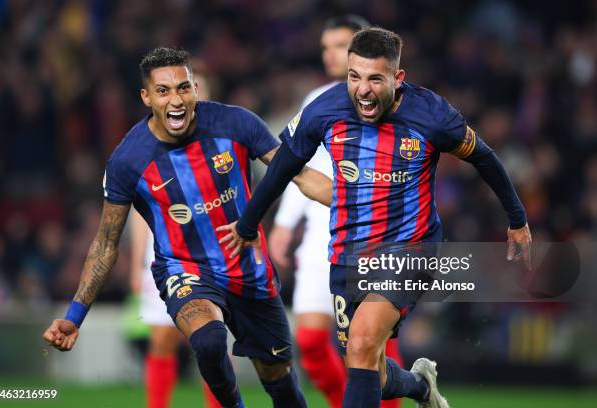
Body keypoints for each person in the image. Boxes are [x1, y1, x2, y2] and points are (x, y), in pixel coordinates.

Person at [218, 28, 532, 408]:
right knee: (367, 365)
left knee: (364, 341)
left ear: (398, 79)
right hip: (348, 254)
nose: (362, 90)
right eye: (355, 77)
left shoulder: (432, 115)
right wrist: (249, 224)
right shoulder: (324, 109)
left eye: (374, 79)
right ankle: (420, 386)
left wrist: (516, 219)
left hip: (411, 248)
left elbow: (484, 157)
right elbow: (284, 166)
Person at [43, 47, 333, 408]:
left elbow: (300, 175)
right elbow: (105, 243)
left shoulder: (237, 124)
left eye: (183, 88)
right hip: (185, 269)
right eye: (163, 91)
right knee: (209, 342)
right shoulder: (128, 160)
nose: (176, 99)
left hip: (248, 270)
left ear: (196, 88)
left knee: (280, 382)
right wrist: (74, 316)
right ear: (146, 97)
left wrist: (360, 208)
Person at [267, 15, 402, 408]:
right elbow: (301, 165)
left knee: (372, 342)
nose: (332, 55)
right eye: (326, 47)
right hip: (319, 235)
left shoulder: (391, 105)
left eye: (340, 47)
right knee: (309, 340)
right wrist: (284, 224)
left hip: (370, 234)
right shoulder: (318, 101)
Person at [129, 69, 220, 408]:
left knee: (210, 341)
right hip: (164, 258)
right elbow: (142, 211)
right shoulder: (149, 146)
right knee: (163, 338)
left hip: (213, 258)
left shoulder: (223, 145)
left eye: (192, 91)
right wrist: (139, 259)